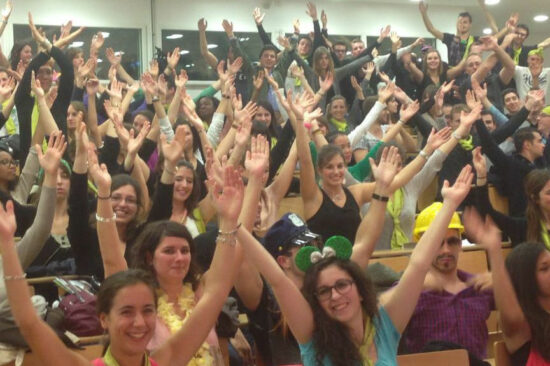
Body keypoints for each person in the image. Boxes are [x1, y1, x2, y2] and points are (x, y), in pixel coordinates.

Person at [235, 152, 474, 365]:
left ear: (359, 288)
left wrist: (449, 205)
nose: (335, 295)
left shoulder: (384, 329)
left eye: (341, 285)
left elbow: (419, 264)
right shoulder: (313, 337)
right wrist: (233, 223)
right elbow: (276, 279)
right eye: (324, 291)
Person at [0, 165, 244, 366]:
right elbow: (29, 323)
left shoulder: (167, 359)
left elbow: (218, 289)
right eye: (127, 312)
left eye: (149, 310)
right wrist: (8, 247)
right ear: (104, 319)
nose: (140, 322)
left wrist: (230, 222)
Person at [400, 202, 494, 360]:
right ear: (422, 246)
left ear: (460, 244)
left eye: (452, 242)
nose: (446, 250)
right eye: (437, 243)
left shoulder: (479, 286)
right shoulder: (409, 291)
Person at [464, 209, 550, 365]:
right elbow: (510, 313)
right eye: (545, 268)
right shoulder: (520, 324)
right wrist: (494, 250)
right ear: (526, 278)